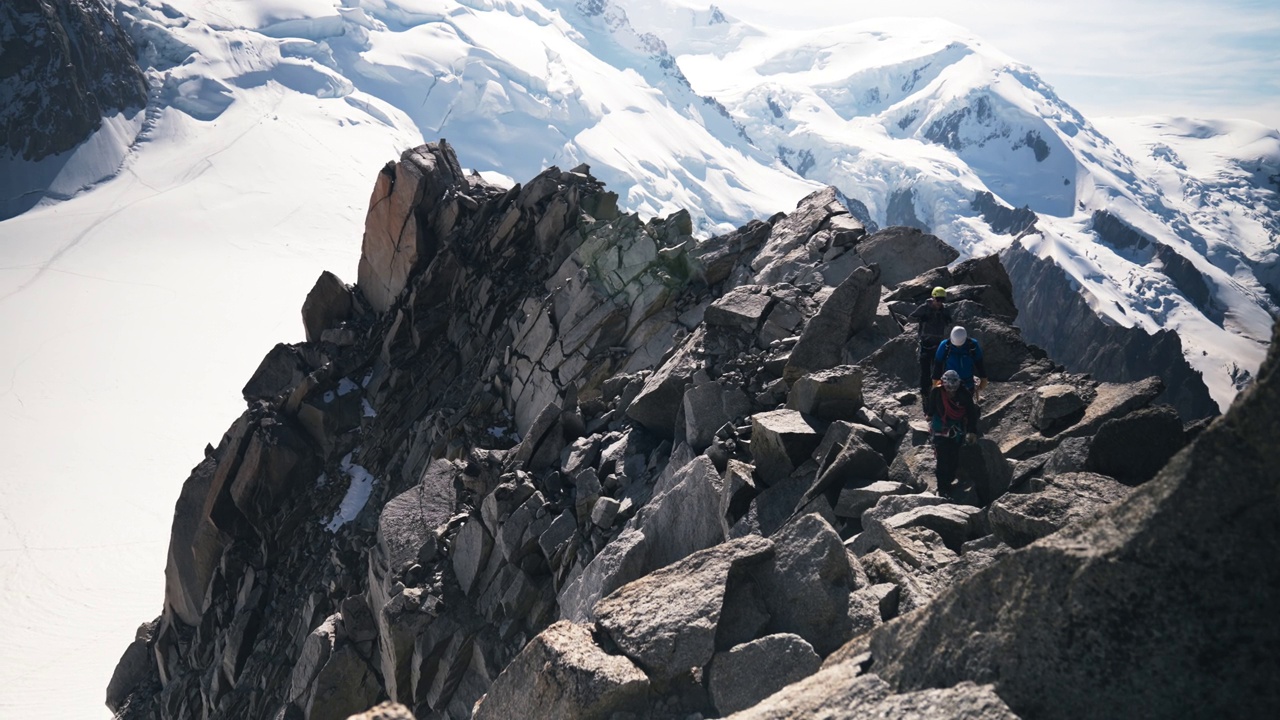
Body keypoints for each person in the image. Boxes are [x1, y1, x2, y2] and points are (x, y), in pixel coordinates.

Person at [926, 369, 979, 498]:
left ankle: (948, 482)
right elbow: (930, 409)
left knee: (954, 457)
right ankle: (942, 487)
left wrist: (972, 431)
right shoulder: (937, 392)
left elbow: (971, 412)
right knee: (942, 458)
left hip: (957, 429)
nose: (951, 392)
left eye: (953, 389)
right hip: (940, 428)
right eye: (948, 389)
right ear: (943, 384)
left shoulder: (964, 394)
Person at [907, 287, 953, 405]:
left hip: (939, 344)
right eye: (938, 299)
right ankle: (925, 393)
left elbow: (950, 322)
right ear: (933, 297)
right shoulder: (924, 308)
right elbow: (910, 318)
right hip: (925, 344)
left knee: (939, 369)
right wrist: (922, 318)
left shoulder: (945, 310)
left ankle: (938, 391)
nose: (940, 302)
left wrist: (948, 320)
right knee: (925, 371)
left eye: (942, 300)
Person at [933, 326, 989, 401]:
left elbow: (979, 362)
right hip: (949, 385)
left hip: (968, 384)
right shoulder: (945, 346)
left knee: (966, 407)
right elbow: (938, 363)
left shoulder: (972, 345)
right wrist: (935, 380)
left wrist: (983, 377)